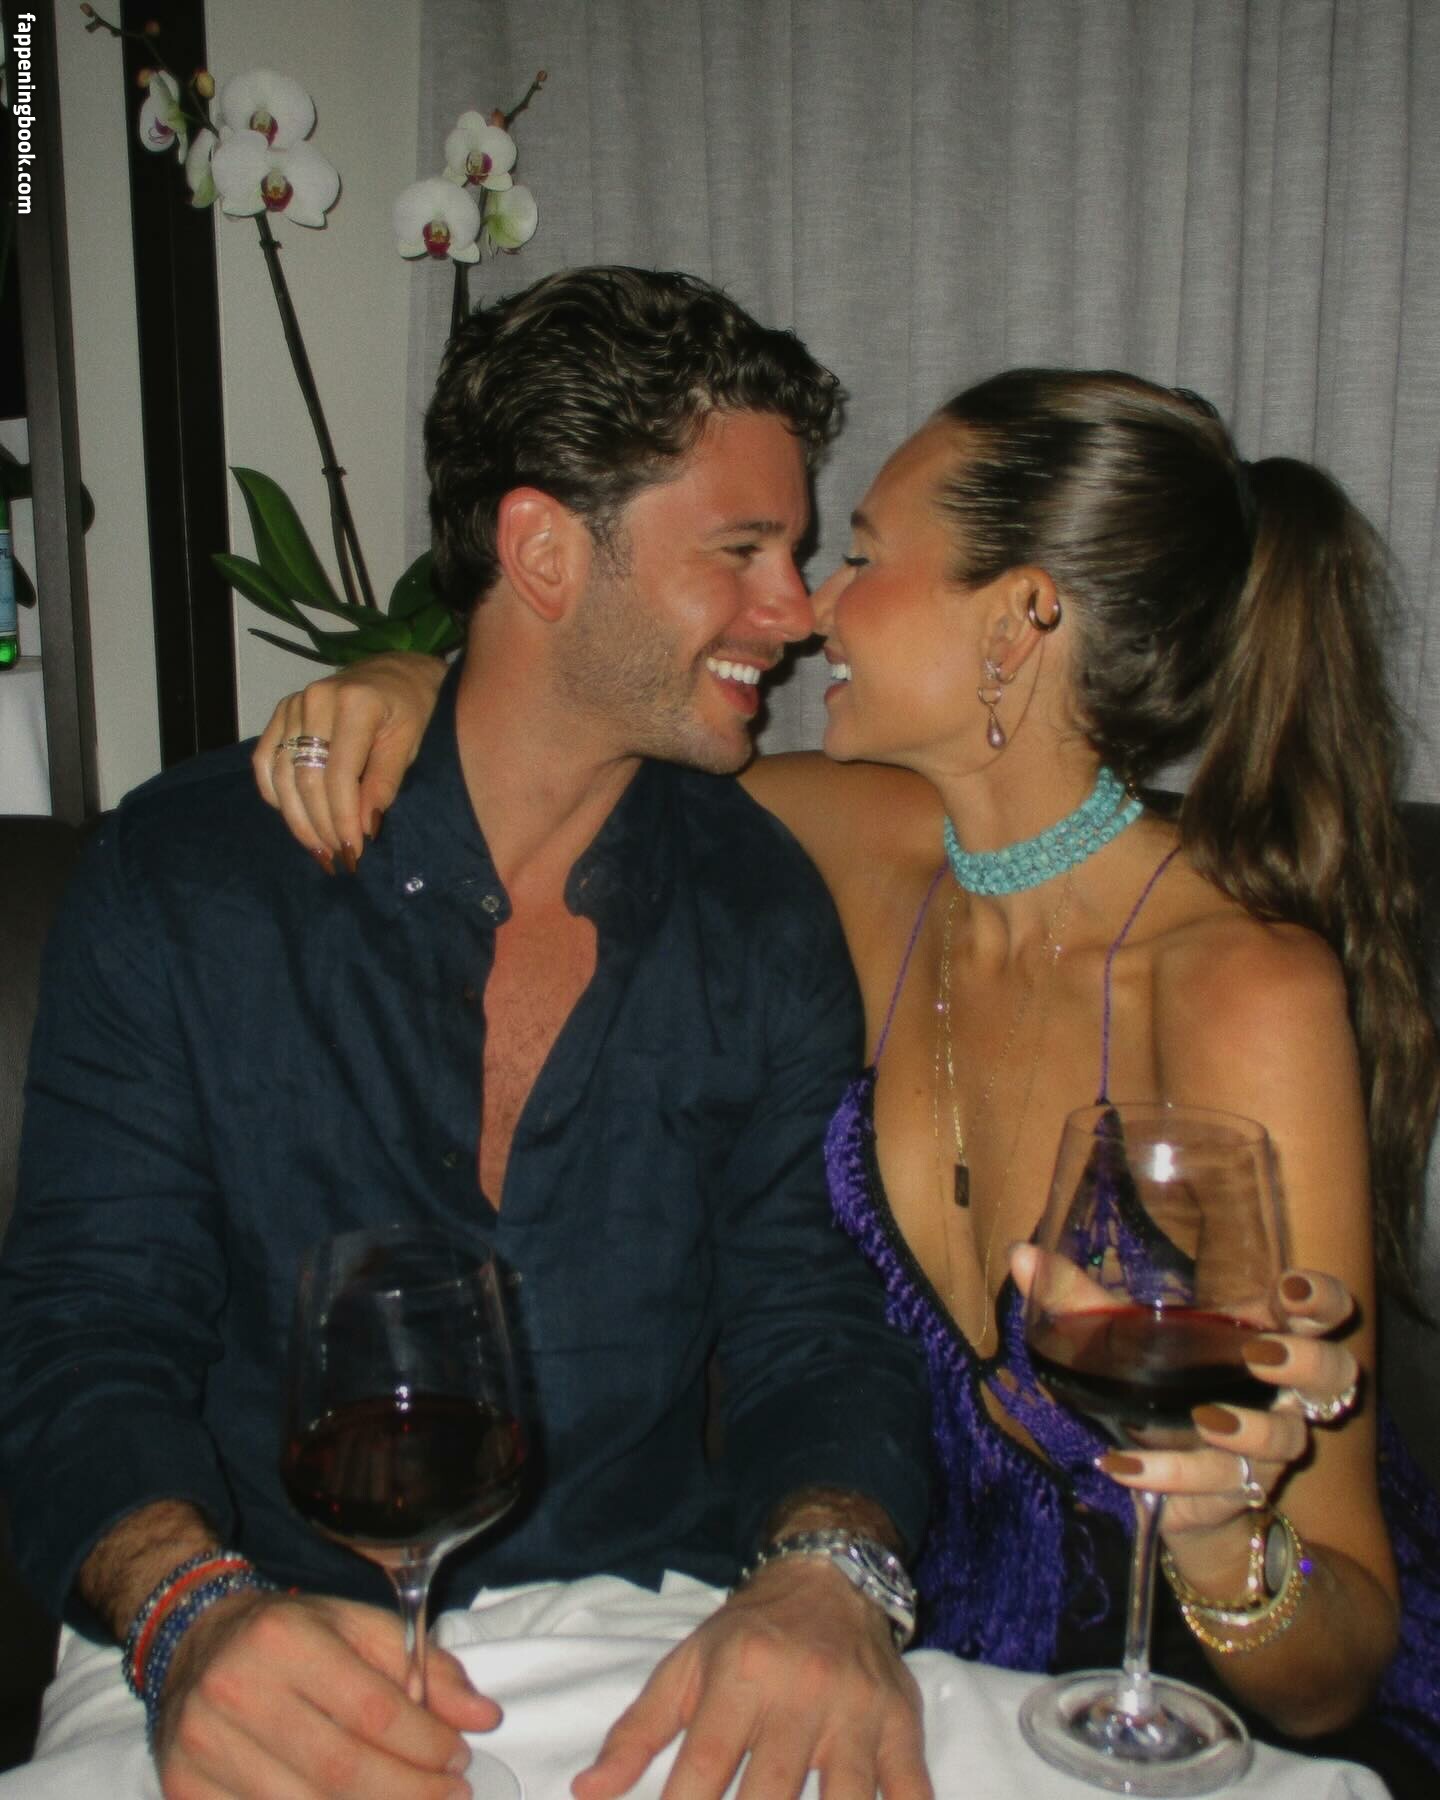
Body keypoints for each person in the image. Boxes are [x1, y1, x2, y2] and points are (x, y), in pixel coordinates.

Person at [262, 367, 1440, 1792]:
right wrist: (406, 687)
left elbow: (1336, 1669)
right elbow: (561, 743)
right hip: (897, 1648)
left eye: (865, 559)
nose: (813, 609)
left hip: (1169, 1704)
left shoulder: (1243, 988)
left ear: (1018, 619)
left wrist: (1225, 1539)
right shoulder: (849, 844)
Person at [0, 267, 938, 1800]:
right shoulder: (192, 881)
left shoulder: (758, 906)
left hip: (647, 1642)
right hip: (236, 1639)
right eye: (743, 551)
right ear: (545, 552)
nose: (796, 610)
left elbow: (814, 1330)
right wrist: (185, 1614)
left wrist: (832, 1575)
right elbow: (84, 1336)